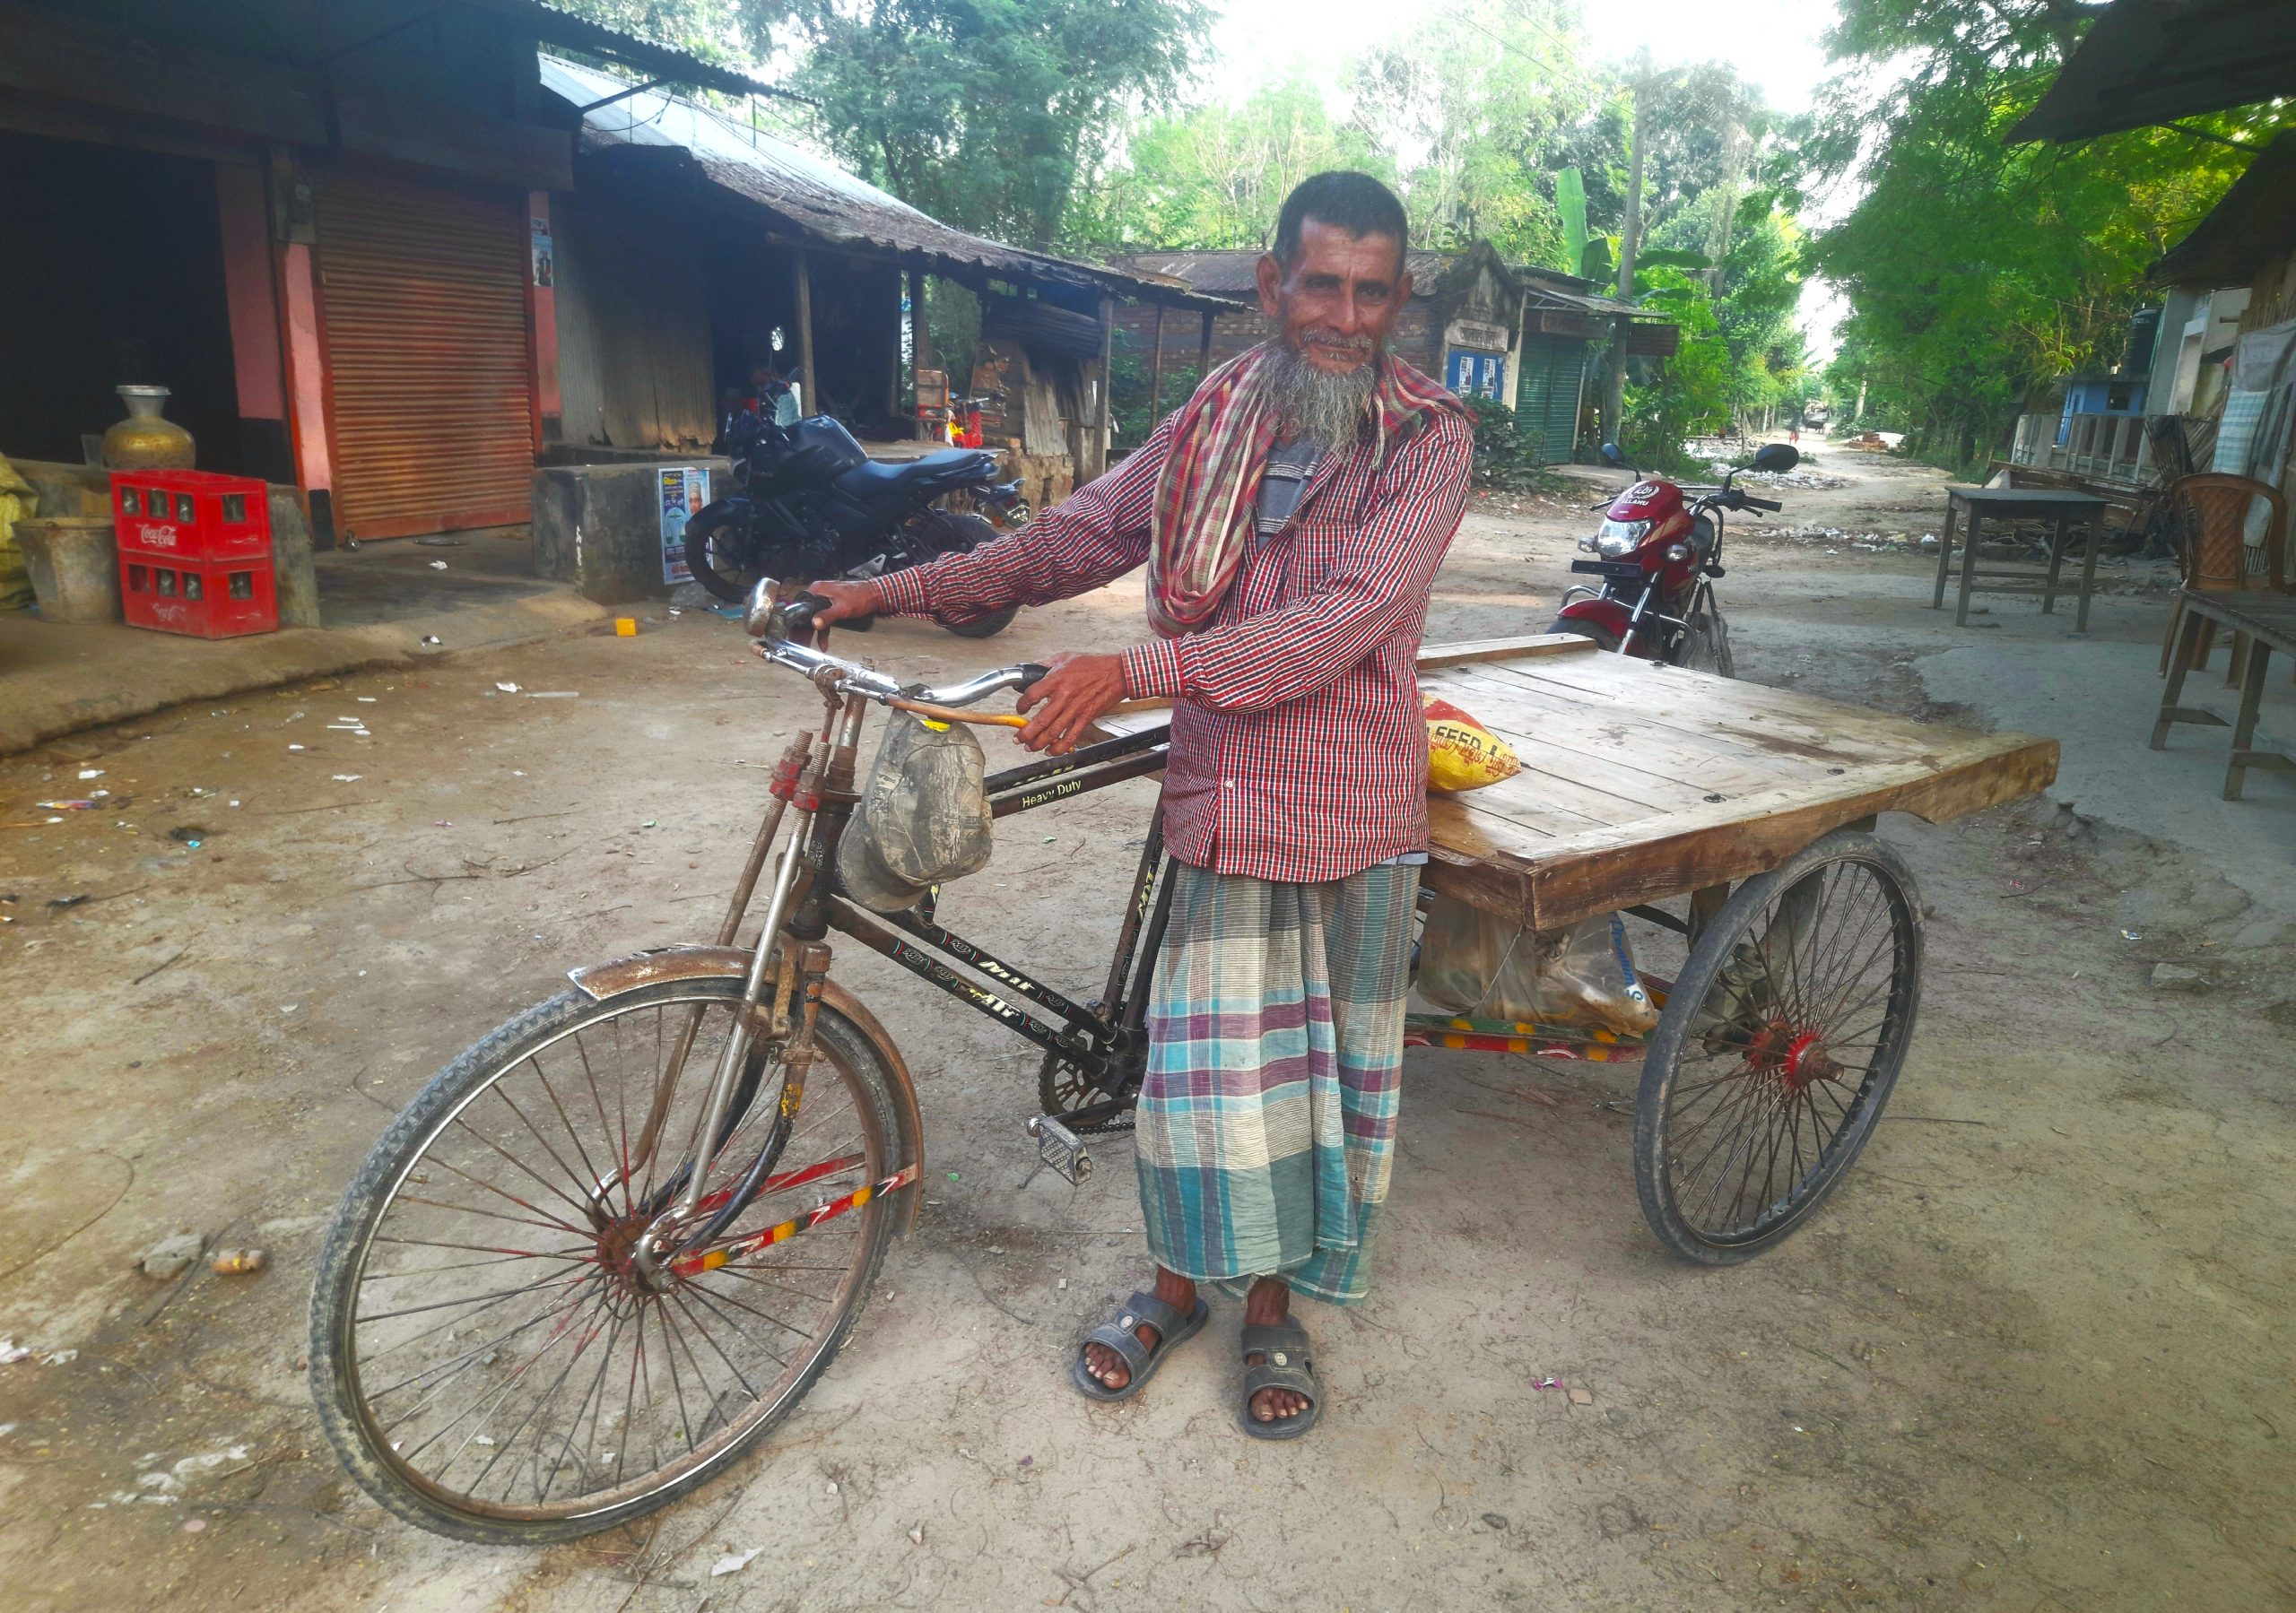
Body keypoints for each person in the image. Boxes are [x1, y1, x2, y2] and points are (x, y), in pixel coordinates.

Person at [808, 172, 1472, 1437]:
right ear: (1273, 284)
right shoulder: (1216, 411)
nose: (1344, 317)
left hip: (1345, 803)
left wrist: (1134, 670)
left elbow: (1345, 622)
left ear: (1396, 304)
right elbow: (1073, 537)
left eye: (1371, 293)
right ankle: (1174, 1290)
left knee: (1312, 1083)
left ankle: (1271, 1309)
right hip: (1221, 794)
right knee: (1196, 1078)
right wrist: (887, 589)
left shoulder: (1428, 438)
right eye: (1321, 285)